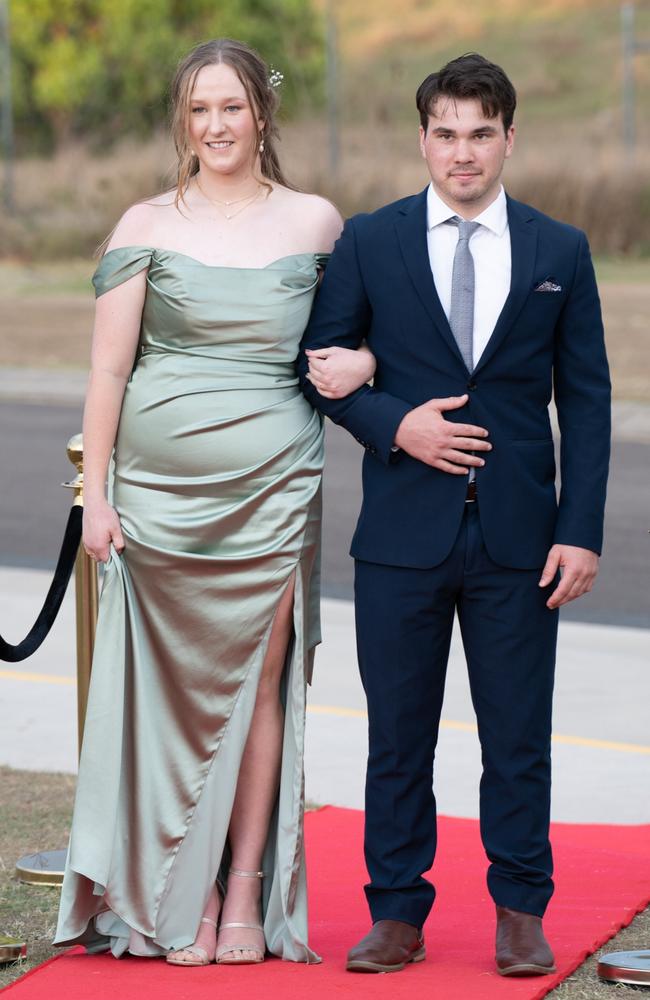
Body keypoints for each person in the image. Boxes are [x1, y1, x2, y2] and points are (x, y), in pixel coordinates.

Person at [54, 38, 374, 966]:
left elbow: (371, 332)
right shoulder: (144, 222)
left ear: (262, 115)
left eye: (232, 107)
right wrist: (100, 496)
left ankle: (238, 895)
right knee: (166, 695)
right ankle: (171, 895)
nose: (217, 126)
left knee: (258, 684)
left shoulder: (317, 223)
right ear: (182, 122)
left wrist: (366, 363)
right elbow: (109, 371)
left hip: (274, 486)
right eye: (199, 110)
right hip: (156, 496)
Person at [299, 53, 610, 976]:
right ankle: (396, 912)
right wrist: (396, 423)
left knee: (518, 734)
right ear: (422, 137)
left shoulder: (561, 251)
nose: (462, 152)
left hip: (522, 539)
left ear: (510, 138)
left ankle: (520, 910)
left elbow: (586, 402)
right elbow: (315, 366)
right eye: (446, 132)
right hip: (402, 535)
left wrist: (580, 528)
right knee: (399, 735)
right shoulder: (370, 240)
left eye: (481, 133)